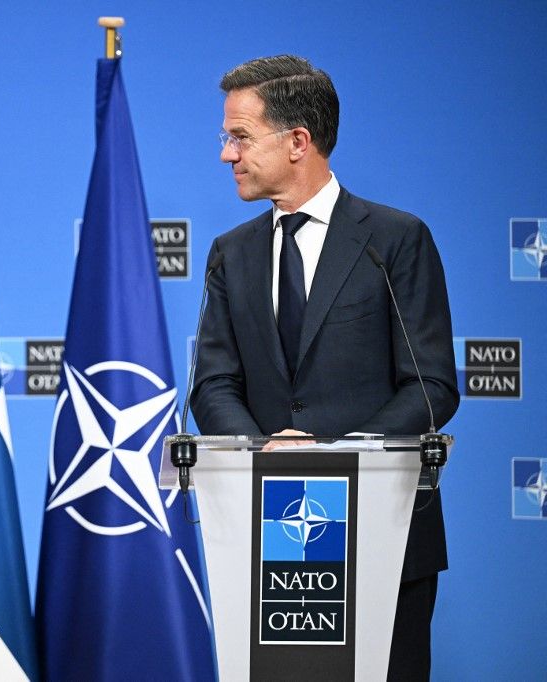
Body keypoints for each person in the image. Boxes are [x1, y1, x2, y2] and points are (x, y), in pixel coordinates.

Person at [190, 55, 458, 679]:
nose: (227, 154)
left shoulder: (394, 239)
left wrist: (335, 460)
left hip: (382, 535)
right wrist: (267, 449)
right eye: (228, 137)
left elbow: (431, 381)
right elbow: (213, 383)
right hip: (268, 535)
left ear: (298, 142)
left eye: (240, 136)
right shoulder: (232, 253)